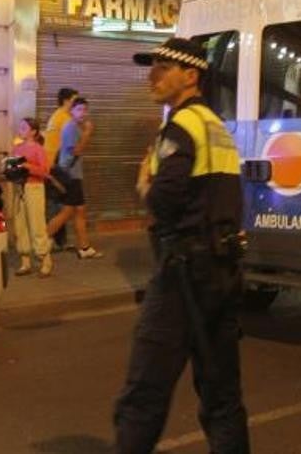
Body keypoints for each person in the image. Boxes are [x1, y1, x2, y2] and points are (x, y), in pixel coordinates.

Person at [114, 37, 249, 454]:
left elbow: (164, 198)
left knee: (144, 393)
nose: (152, 75)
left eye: (163, 67)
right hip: (222, 271)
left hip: (181, 274)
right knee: (221, 395)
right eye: (151, 67)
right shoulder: (217, 127)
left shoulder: (182, 126)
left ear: (191, 75)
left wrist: (144, 186)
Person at [45, 97, 103, 259]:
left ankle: (84, 247)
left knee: (79, 211)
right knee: (68, 211)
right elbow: (75, 151)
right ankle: (42, 240)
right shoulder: (70, 127)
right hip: (70, 176)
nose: (83, 113)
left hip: (73, 175)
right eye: (79, 109)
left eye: (85, 109)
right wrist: (87, 133)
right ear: (72, 111)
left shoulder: (75, 127)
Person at [9, 117, 53, 278]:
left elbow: (45, 171)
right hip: (19, 188)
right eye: (19, 126)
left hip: (34, 188)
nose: (20, 129)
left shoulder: (38, 149)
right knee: (20, 225)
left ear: (33, 132)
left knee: (36, 224)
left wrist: (27, 166)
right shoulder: (16, 148)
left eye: (24, 127)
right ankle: (25, 261)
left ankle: (45, 259)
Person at [44, 87, 78, 250]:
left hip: (51, 164)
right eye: (74, 100)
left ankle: (59, 241)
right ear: (66, 100)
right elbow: (69, 145)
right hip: (58, 165)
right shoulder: (65, 118)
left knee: (58, 203)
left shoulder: (56, 116)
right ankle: (47, 239)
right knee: (62, 205)